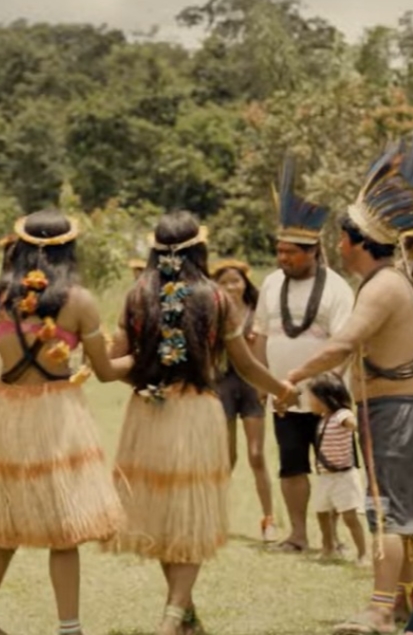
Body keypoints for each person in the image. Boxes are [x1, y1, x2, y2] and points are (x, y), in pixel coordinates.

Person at [108, 211, 298, 635]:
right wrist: (282, 389)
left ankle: (185, 614)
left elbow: (119, 364)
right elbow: (246, 366)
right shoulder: (216, 298)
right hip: (197, 412)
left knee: (163, 513)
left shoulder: (137, 295)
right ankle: (174, 617)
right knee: (189, 514)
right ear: (199, 248)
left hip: (146, 414)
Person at [0, 211, 132, 635]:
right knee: (64, 529)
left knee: (4, 524)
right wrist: (142, 357)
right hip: (56, 417)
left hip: (7, 416)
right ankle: (69, 628)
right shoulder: (80, 301)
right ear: (68, 250)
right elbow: (104, 371)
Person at [286, 142, 413, 635]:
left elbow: (343, 345)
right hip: (392, 409)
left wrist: (291, 379)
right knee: (400, 513)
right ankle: (401, 609)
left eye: (341, 239)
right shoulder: (395, 282)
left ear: (358, 241)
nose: (337, 247)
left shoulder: (383, 286)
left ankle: (381, 609)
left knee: (387, 513)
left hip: (391, 412)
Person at [253, 158, 355, 554]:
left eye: (291, 253)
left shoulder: (338, 289)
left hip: (326, 399)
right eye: (279, 252)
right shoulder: (270, 283)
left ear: (313, 251)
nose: (283, 259)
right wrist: (264, 386)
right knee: (291, 465)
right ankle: (298, 535)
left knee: (333, 465)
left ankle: (336, 539)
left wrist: (325, 393)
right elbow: (260, 335)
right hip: (283, 395)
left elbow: (344, 346)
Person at [211, 259, 278, 542]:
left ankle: (269, 519)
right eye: (224, 282)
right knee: (227, 458)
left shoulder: (257, 311)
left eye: (235, 281)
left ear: (245, 282)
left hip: (251, 387)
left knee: (256, 455)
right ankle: (215, 519)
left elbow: (264, 350)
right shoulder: (213, 314)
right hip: (222, 385)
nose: (230, 287)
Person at [307, 373, 368, 565]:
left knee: (350, 516)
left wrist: (358, 427)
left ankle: (363, 553)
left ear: (324, 398)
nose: (309, 402)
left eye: (311, 397)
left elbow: (350, 422)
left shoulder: (341, 415)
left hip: (344, 476)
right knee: (322, 512)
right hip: (325, 476)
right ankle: (328, 547)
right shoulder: (324, 419)